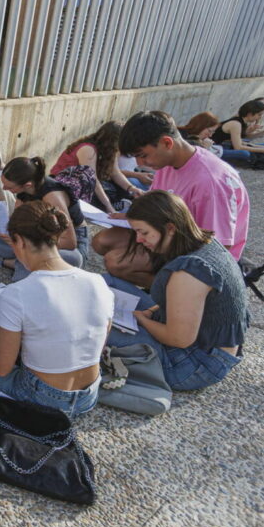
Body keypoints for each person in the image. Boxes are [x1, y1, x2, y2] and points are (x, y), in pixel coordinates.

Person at [0, 201, 113, 417]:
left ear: (19, 241)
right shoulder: (98, 282)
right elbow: (97, 344)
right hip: (88, 396)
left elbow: (1, 368)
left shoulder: (18, 293)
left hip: (41, 397)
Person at [105, 191, 250, 391]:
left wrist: (141, 319)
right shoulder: (204, 244)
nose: (138, 239)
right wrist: (150, 312)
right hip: (204, 346)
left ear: (170, 228)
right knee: (106, 281)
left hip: (192, 365)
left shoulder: (189, 272)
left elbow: (179, 339)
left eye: (144, 232)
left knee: (93, 320)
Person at [91, 111, 250, 288]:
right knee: (102, 241)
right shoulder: (167, 163)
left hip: (194, 252)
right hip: (167, 236)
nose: (140, 164)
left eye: (143, 155)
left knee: (116, 262)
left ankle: (174, 292)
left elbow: (217, 249)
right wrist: (132, 217)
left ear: (167, 143)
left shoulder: (210, 183)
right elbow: (155, 206)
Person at [0, 156, 88, 280]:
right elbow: (15, 222)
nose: (4, 189)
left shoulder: (52, 197)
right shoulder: (24, 192)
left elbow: (69, 243)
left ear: (27, 185)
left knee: (68, 258)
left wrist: (28, 243)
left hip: (64, 245)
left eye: (9, 187)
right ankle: (26, 262)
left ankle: (10, 262)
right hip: (35, 236)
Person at [50, 120, 144, 213]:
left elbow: (115, 173)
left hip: (86, 184)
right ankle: (112, 204)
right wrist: (108, 206)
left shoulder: (110, 150)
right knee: (105, 192)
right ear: (113, 141)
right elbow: (93, 181)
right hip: (65, 183)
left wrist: (132, 188)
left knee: (120, 188)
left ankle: (118, 203)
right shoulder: (88, 149)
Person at [210, 99, 264, 164]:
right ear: (249, 114)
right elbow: (238, 147)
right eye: (259, 115)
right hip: (215, 149)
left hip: (226, 145)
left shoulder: (242, 121)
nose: (260, 117)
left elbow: (241, 141)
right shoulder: (236, 124)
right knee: (244, 153)